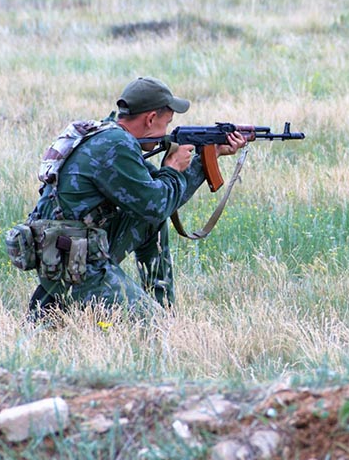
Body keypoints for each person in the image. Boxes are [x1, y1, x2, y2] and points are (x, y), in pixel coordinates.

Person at [24, 76, 247, 320]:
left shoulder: (109, 135)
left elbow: (158, 200)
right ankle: (146, 315)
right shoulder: (116, 146)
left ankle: (161, 308)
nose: (167, 132)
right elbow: (157, 205)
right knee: (154, 328)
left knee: (150, 221)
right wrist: (172, 168)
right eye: (166, 123)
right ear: (150, 118)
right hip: (74, 262)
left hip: (66, 249)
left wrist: (207, 158)